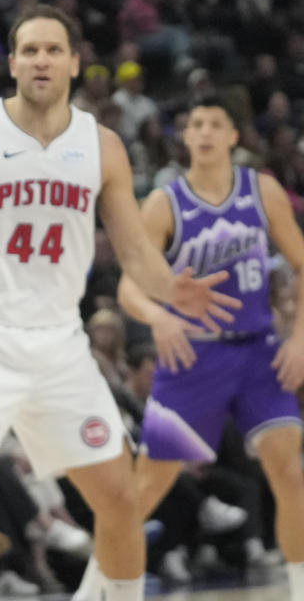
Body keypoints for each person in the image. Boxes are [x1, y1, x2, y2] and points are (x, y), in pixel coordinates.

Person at [0, 6, 241, 601]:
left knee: (122, 498)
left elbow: (133, 252)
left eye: (53, 49)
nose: (41, 60)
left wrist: (173, 287)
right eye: (29, 50)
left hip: (60, 345)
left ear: (76, 62)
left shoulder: (101, 146)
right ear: (12, 64)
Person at [115, 98, 304, 601]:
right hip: (192, 358)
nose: (203, 132)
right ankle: (101, 587)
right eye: (195, 124)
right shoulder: (164, 203)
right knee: (147, 488)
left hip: (259, 351)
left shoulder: (261, 190)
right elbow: (129, 289)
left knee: (289, 472)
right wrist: (159, 318)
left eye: (215, 123)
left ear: (233, 137)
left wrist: (301, 339)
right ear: (185, 137)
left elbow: (302, 262)